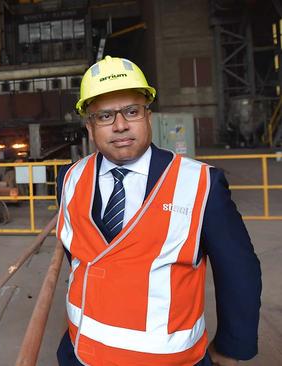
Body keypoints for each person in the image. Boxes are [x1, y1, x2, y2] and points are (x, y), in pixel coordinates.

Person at [55, 56, 261, 366]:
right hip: (80, 353)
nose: (121, 125)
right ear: (89, 125)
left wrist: (232, 348)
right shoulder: (69, 178)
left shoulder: (201, 184)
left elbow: (238, 270)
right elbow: (81, 255)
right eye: (105, 116)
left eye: (132, 111)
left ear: (148, 116)